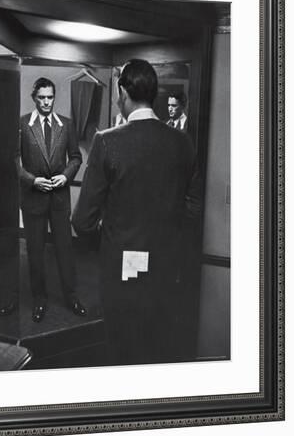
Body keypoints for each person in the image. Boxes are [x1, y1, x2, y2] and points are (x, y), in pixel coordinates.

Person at [72, 59, 200, 364]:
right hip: (167, 270)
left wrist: (111, 239)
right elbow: (193, 208)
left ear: (122, 92)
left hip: (121, 272)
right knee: (158, 349)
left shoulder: (107, 142)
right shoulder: (182, 143)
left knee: (121, 350)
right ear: (153, 95)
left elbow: (82, 220)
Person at [16, 77, 87, 322]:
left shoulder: (65, 125)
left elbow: (76, 157)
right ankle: (39, 300)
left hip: (59, 199)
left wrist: (66, 176)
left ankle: (71, 296)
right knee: (35, 251)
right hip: (33, 198)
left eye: (50, 97)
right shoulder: (23, 124)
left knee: (65, 250)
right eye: (42, 97)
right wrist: (31, 180)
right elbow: (14, 161)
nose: (47, 102)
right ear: (34, 98)